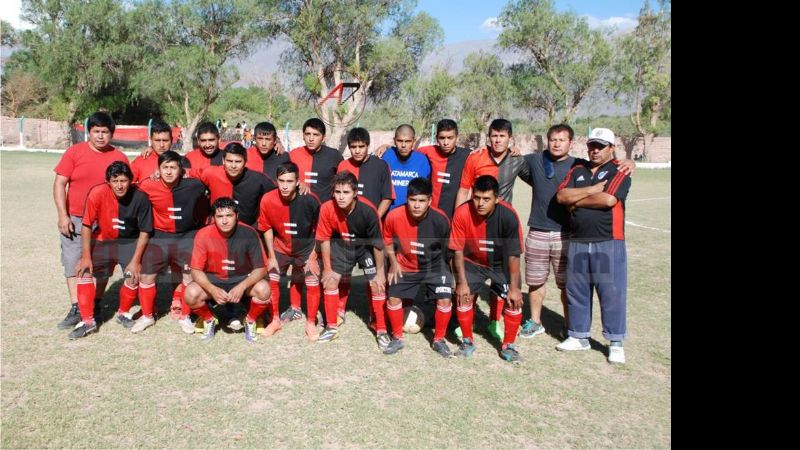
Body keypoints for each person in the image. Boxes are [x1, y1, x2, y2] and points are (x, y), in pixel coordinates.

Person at [517, 124, 634, 340]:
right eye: (553, 139)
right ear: (547, 140)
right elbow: (514, 160)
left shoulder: (579, 164)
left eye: (562, 140)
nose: (557, 144)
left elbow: (610, 188)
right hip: (538, 230)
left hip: (566, 234)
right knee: (535, 281)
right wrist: (593, 190)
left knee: (568, 284)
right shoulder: (535, 161)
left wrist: (630, 161)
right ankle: (535, 322)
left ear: (570, 143)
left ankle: (570, 325)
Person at [555, 127, 631, 364]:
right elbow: (561, 197)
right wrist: (591, 191)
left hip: (607, 240)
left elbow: (609, 199)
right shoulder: (578, 169)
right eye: (592, 145)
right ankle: (579, 336)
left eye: (600, 146)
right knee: (576, 291)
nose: (595, 150)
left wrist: (577, 201)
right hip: (578, 240)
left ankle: (615, 342)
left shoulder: (619, 169)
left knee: (610, 293)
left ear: (611, 148)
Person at [53, 111, 129, 330]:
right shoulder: (74, 153)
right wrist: (62, 215)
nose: (100, 136)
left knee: (102, 265)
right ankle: (77, 306)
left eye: (105, 132)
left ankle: (95, 302)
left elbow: (127, 186)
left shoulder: (119, 157)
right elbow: (60, 184)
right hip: (75, 219)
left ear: (111, 134)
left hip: (106, 220)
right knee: (72, 261)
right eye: (96, 131)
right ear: (89, 132)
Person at [455, 119, 529, 339]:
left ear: (510, 138)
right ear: (489, 137)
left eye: (502, 136)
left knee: (501, 278)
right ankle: (468, 320)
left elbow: (539, 177)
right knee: (472, 271)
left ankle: (494, 322)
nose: (497, 140)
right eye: (494, 136)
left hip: (501, 227)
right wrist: (460, 217)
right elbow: (464, 189)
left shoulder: (518, 160)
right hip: (475, 225)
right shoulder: (475, 157)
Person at [71, 162, 153, 339]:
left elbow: (145, 230)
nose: (120, 185)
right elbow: (86, 225)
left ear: (131, 181)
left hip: (128, 242)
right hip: (103, 241)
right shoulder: (97, 192)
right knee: (84, 270)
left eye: (124, 180)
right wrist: (86, 257)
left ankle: (123, 313)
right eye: (115, 180)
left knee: (133, 275)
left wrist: (136, 260)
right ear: (108, 181)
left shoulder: (140, 197)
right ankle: (88, 321)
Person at [449, 175, 525, 363]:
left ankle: (509, 345)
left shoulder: (508, 215)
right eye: (476, 198)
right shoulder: (462, 212)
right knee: (463, 295)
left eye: (486, 199)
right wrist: (461, 283)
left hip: (501, 264)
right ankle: (467, 341)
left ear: (497, 198)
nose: (480, 203)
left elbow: (514, 254)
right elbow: (457, 250)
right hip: (473, 261)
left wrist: (514, 288)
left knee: (513, 300)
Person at [137, 151, 209, 334]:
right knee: (146, 276)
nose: (169, 172)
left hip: (186, 237)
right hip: (159, 237)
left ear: (180, 169)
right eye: (165, 167)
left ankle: (185, 316)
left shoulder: (194, 185)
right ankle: (147, 316)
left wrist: (191, 172)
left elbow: (210, 178)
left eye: (173, 167)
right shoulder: (148, 185)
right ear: (158, 169)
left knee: (188, 277)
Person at [183, 197, 272, 342]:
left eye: (229, 215)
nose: (224, 221)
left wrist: (242, 286)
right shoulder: (203, 234)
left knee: (264, 289)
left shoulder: (249, 233)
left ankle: (250, 320)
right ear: (213, 218)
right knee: (190, 294)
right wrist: (212, 289)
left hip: (242, 278)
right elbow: (196, 270)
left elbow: (261, 268)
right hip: (214, 279)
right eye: (219, 216)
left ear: (237, 216)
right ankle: (209, 319)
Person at [383, 177, 453, 356]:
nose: (416, 205)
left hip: (435, 266)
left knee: (445, 299)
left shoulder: (441, 220)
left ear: (430, 200)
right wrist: (393, 262)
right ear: (407, 199)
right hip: (405, 264)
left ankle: (439, 340)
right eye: (413, 200)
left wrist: (451, 275)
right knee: (393, 298)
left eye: (422, 201)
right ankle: (397, 338)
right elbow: (388, 240)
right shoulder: (394, 216)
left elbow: (449, 249)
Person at [315, 171, 387, 346]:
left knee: (377, 285)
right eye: (337, 192)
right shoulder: (326, 208)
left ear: (355, 193)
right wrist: (327, 267)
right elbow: (324, 239)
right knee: (331, 280)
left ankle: (381, 329)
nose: (341, 197)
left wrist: (380, 272)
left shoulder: (369, 210)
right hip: (342, 245)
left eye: (346, 192)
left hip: (365, 248)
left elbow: (378, 244)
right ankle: (331, 327)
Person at [257, 162, 322, 340]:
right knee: (273, 279)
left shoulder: (310, 199)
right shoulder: (268, 199)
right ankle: (275, 320)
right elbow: (266, 227)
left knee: (312, 281)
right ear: (276, 180)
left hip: (306, 249)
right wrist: (271, 255)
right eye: (281, 181)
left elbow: (321, 230)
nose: (285, 186)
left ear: (298, 182)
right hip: (280, 247)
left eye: (289, 181)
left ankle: (310, 322)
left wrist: (314, 256)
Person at [188, 142, 275, 227]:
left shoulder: (258, 179)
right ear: (223, 161)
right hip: (217, 229)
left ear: (245, 162)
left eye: (238, 161)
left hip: (247, 231)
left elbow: (277, 193)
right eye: (229, 161)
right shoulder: (211, 173)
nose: (233, 166)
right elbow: (185, 173)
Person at [337, 127, 394, 218]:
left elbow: (387, 197)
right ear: (349, 147)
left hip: (372, 222)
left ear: (368, 145)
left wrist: (375, 219)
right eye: (353, 147)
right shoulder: (343, 165)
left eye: (361, 146)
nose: (357, 151)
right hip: (347, 221)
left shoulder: (381, 165)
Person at [289, 118, 343, 202]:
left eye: (316, 135)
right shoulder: (293, 154)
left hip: (323, 210)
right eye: (308, 134)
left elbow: (344, 181)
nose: (311, 138)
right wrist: (297, 182)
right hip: (299, 207)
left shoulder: (334, 156)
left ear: (323, 137)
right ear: (303, 136)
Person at [379, 124, 431, 211]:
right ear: (394, 141)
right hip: (387, 212)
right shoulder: (386, 156)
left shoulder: (422, 160)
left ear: (414, 141)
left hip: (411, 214)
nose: (403, 145)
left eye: (407, 141)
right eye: (400, 141)